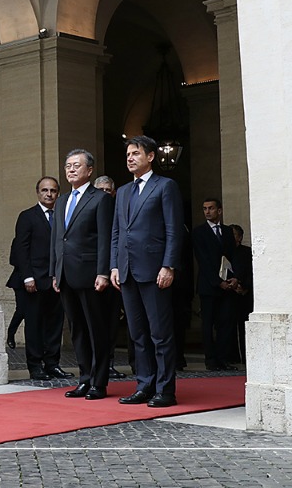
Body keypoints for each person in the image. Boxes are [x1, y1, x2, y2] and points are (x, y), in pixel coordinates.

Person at [110, 135, 183, 408]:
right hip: (127, 271)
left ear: (150, 156)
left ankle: (165, 390)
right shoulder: (124, 192)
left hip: (155, 271)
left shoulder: (165, 186)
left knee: (160, 334)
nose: (130, 158)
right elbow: (117, 232)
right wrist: (114, 266)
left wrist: (169, 265)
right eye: (128, 154)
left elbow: (173, 230)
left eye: (136, 153)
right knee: (137, 334)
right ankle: (144, 384)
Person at [51, 150, 115, 400]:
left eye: (77, 165)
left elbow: (105, 239)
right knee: (77, 329)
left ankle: (99, 382)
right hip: (66, 274)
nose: (71, 170)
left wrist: (103, 272)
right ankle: (84, 378)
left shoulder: (100, 199)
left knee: (95, 329)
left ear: (89, 170)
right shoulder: (62, 200)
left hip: (91, 275)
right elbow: (57, 239)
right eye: (68, 165)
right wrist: (54, 271)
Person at [7, 177, 70, 380]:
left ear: (58, 193)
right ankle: (35, 367)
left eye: (53, 190)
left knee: (55, 325)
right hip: (33, 281)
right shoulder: (27, 216)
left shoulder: (63, 217)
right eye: (44, 190)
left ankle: (52, 364)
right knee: (34, 325)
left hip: (57, 280)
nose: (49, 194)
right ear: (38, 193)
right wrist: (27, 277)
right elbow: (21, 249)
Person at [193, 197, 238, 371]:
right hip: (209, 286)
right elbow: (202, 261)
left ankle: (223, 358)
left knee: (225, 323)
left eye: (211, 208)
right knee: (208, 324)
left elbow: (232, 257)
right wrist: (218, 282)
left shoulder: (227, 232)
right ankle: (210, 360)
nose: (207, 211)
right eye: (205, 208)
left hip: (228, 286)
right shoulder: (199, 232)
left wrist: (234, 279)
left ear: (219, 210)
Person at [94, 175, 128, 379]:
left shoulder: (120, 211)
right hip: (95, 276)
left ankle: (110, 362)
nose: (105, 194)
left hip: (116, 275)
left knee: (112, 323)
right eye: (101, 191)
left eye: (108, 190)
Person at [230, 224, 253, 363]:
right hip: (229, 294)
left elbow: (251, 272)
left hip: (244, 294)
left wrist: (244, 286)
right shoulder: (225, 252)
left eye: (234, 235)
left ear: (240, 237)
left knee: (244, 325)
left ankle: (246, 358)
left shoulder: (247, 252)